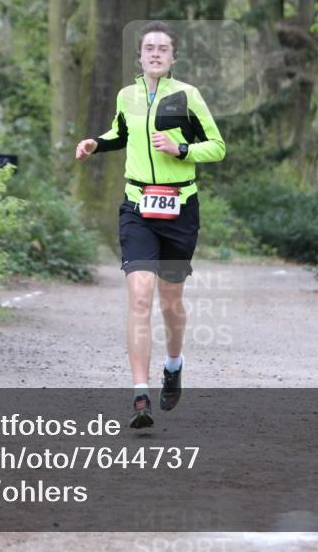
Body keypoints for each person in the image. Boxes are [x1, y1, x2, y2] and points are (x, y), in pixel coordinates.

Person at [75, 21, 226, 428]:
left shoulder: (187, 96)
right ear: (139, 57)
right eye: (149, 48)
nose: (156, 53)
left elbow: (217, 146)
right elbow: (121, 132)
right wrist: (96, 142)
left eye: (163, 49)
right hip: (138, 207)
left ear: (173, 57)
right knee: (140, 297)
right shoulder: (128, 96)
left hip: (180, 209)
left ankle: (173, 365)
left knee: (170, 302)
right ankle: (140, 396)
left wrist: (180, 148)